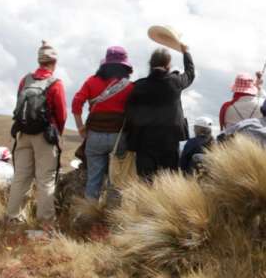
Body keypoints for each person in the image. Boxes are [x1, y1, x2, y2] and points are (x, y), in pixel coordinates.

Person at [5, 41, 67, 230]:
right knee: (45, 179)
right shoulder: (55, 83)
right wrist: (57, 134)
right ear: (54, 62)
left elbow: (18, 103)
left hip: (23, 134)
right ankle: (45, 222)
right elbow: (62, 114)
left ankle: (12, 218)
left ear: (39, 61)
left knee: (21, 177)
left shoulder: (26, 80)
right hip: (44, 136)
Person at [124, 44, 195, 181]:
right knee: (168, 181)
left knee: (146, 182)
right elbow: (190, 73)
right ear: (168, 64)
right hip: (170, 140)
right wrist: (186, 52)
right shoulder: (175, 82)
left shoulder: (139, 86)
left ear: (150, 64)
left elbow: (129, 112)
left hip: (144, 140)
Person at [72, 46, 134, 201]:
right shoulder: (130, 87)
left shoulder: (91, 82)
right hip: (119, 138)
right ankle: (110, 218)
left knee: (94, 180)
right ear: (125, 66)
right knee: (117, 180)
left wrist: (80, 127)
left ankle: (89, 216)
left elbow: (76, 103)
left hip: (94, 137)